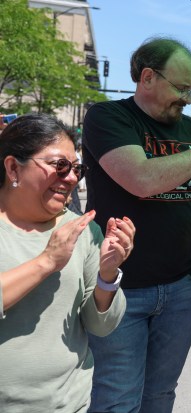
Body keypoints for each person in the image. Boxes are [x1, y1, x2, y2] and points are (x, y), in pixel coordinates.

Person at [82, 36, 191, 412]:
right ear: (147, 78)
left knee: (160, 395)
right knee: (116, 398)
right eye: (181, 87)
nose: (188, 98)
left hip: (180, 288)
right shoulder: (108, 117)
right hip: (120, 288)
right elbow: (141, 178)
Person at [0, 114, 134, 412]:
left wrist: (108, 275)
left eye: (76, 169)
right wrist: (47, 262)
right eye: (59, 166)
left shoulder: (84, 230)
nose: (71, 178)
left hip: (66, 403)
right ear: (12, 167)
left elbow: (100, 326)